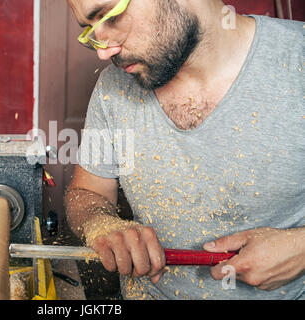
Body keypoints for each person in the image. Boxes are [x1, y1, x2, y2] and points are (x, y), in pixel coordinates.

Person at [64, 0, 304, 299]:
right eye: (90, 32)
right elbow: (88, 193)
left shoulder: (298, 60)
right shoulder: (113, 89)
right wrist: (100, 223)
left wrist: (301, 247)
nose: (103, 50)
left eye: (109, 16)